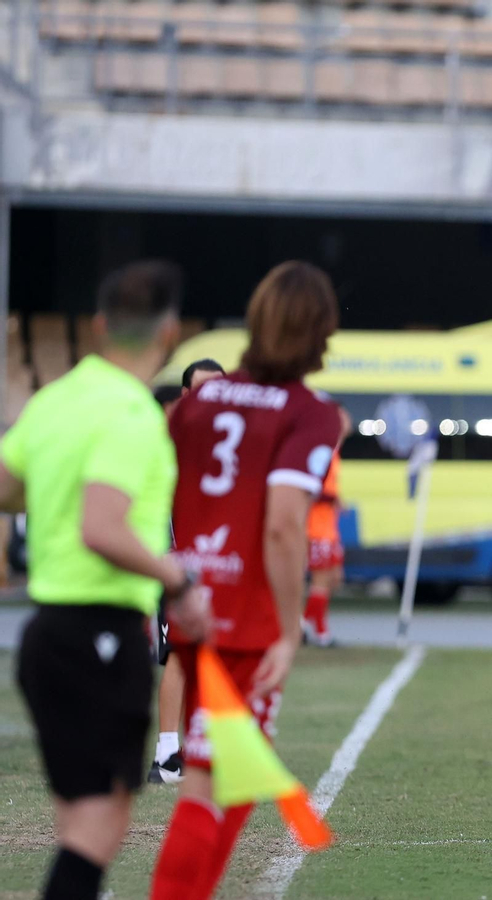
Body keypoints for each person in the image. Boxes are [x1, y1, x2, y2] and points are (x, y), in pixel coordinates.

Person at [6, 261, 209, 900]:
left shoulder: (56, 399)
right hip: (100, 633)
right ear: (170, 332)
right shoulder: (132, 413)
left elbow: (9, 488)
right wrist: (177, 579)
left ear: (99, 325)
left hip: (46, 635)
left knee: (82, 818)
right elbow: (103, 526)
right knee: (98, 823)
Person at [150, 261, 343, 900]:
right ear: (319, 332)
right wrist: (288, 633)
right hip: (249, 624)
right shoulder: (309, 413)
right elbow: (285, 526)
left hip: (196, 607)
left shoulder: (199, 401)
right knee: (217, 781)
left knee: (221, 776)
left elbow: (162, 490)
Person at [149, 357, 227, 786]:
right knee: (178, 654)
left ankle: (207, 745)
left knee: (220, 652)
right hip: (179, 565)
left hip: (222, 566)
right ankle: (167, 756)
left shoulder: (230, 437)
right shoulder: (170, 438)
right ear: (185, 395)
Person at [304, 403, 352, 647]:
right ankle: (319, 632)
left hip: (328, 528)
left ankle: (303, 624)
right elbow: (311, 489)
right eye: (342, 418)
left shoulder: (333, 452)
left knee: (334, 578)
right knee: (321, 581)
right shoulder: (322, 452)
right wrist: (333, 499)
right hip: (317, 528)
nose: (347, 423)